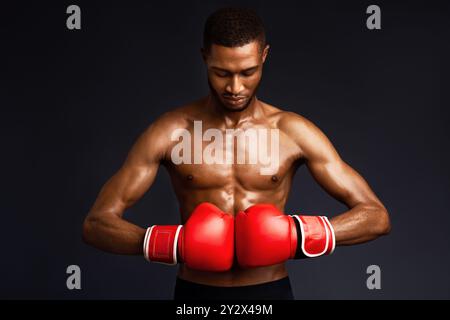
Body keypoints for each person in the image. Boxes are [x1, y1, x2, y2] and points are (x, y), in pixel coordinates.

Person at [82, 7, 391, 300]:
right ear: (204, 58)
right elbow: (96, 225)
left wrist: (296, 237)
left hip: (270, 293)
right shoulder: (171, 132)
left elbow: (375, 217)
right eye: (221, 72)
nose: (235, 87)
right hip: (196, 296)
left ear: (264, 56)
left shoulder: (292, 132)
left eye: (248, 72)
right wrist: (174, 245)